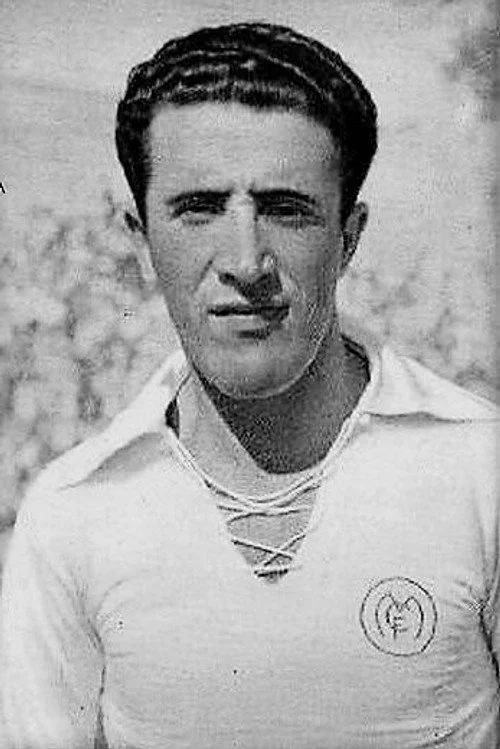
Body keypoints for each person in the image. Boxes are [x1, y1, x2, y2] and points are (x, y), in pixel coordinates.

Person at [1, 21, 498, 749]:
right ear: (140, 240)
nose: (245, 261)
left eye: (286, 209)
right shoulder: (72, 513)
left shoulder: (483, 472)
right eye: (199, 209)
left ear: (349, 236)